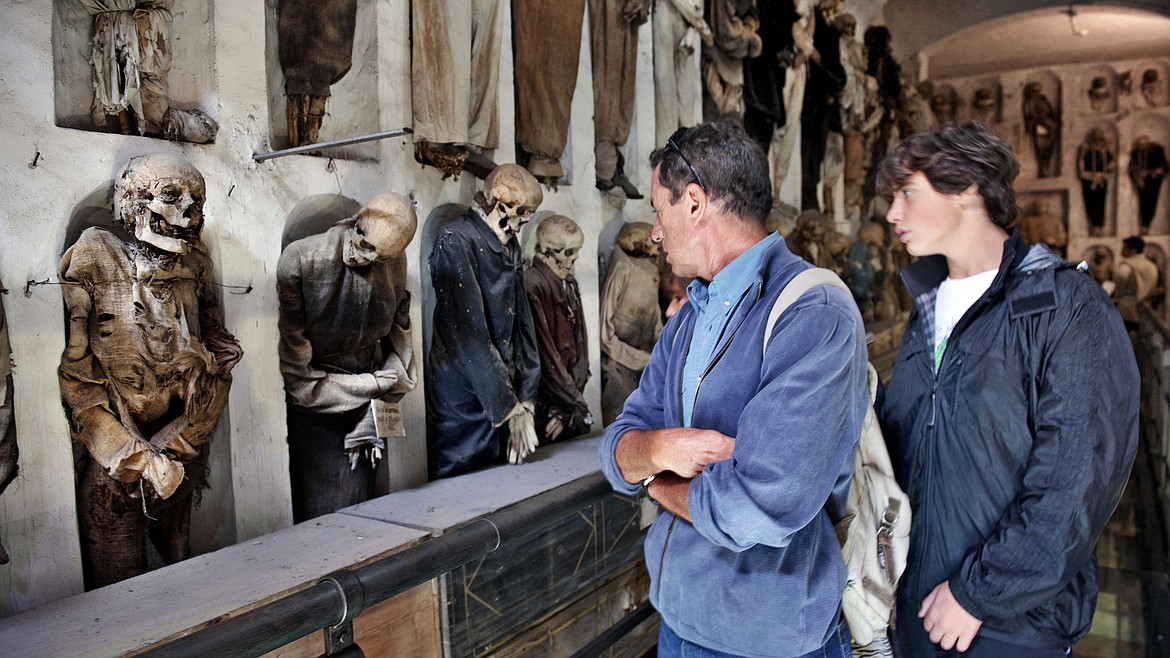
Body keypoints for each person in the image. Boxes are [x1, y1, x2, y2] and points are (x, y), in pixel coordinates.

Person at [599, 121, 868, 657]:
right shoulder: (688, 318)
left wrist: (651, 482)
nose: (655, 231)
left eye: (659, 209)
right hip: (677, 623)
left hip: (763, 639)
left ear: (694, 202)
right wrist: (660, 449)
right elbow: (616, 447)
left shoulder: (813, 316)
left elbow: (758, 507)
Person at [875, 122, 1139, 657]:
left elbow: (1074, 480)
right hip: (912, 615)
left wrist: (978, 595)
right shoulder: (925, 309)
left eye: (908, 193)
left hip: (1007, 627)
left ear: (969, 187)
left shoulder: (1065, 305)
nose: (891, 215)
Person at [59, 153, 243, 588]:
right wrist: (139, 458)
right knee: (122, 592)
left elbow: (221, 356)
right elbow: (81, 384)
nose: (186, 213)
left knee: (179, 574)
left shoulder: (196, 265)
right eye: (170, 197)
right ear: (134, 202)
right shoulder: (97, 256)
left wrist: (180, 443)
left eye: (195, 203)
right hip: (118, 468)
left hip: (183, 450)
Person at [277, 193, 419, 523]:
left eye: (381, 257)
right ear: (354, 223)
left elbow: (402, 345)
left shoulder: (393, 262)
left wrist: (384, 396)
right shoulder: (299, 260)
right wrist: (376, 384)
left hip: (370, 408)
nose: (369, 259)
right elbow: (301, 381)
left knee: (362, 516)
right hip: (318, 413)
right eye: (366, 245)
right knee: (327, 520)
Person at [427, 164, 543, 477]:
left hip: (506, 396)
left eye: (525, 221)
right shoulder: (455, 241)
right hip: (464, 402)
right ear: (498, 204)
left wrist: (528, 398)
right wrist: (507, 408)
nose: (518, 229)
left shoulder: (508, 244)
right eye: (518, 217)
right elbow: (468, 337)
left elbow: (523, 323)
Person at [1113, 235, 1161, 333]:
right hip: (1146, 307)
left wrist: (1117, 296)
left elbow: (1121, 277)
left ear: (1133, 250)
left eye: (1124, 249)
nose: (1122, 252)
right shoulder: (1151, 266)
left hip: (1127, 309)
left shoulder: (1127, 265)